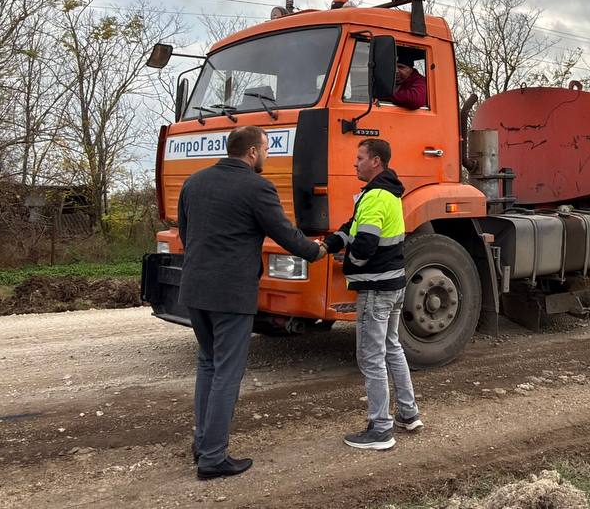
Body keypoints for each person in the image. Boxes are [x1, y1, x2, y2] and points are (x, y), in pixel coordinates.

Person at [178, 125, 326, 479]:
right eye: (266, 148)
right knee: (227, 371)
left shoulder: (193, 183)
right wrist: (315, 251)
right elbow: (284, 232)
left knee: (208, 365)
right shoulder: (257, 186)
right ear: (252, 152)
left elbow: (186, 232)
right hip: (231, 293)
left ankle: (203, 442)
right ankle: (213, 458)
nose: (268, 154)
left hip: (195, 289)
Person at [323, 138, 422, 450]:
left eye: (360, 157)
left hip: (376, 289)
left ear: (376, 161)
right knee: (392, 348)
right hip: (393, 286)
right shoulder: (386, 193)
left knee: (371, 356)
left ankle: (380, 429)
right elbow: (352, 227)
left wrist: (347, 260)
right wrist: (328, 244)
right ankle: (408, 413)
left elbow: (364, 244)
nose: (355, 163)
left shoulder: (375, 196)